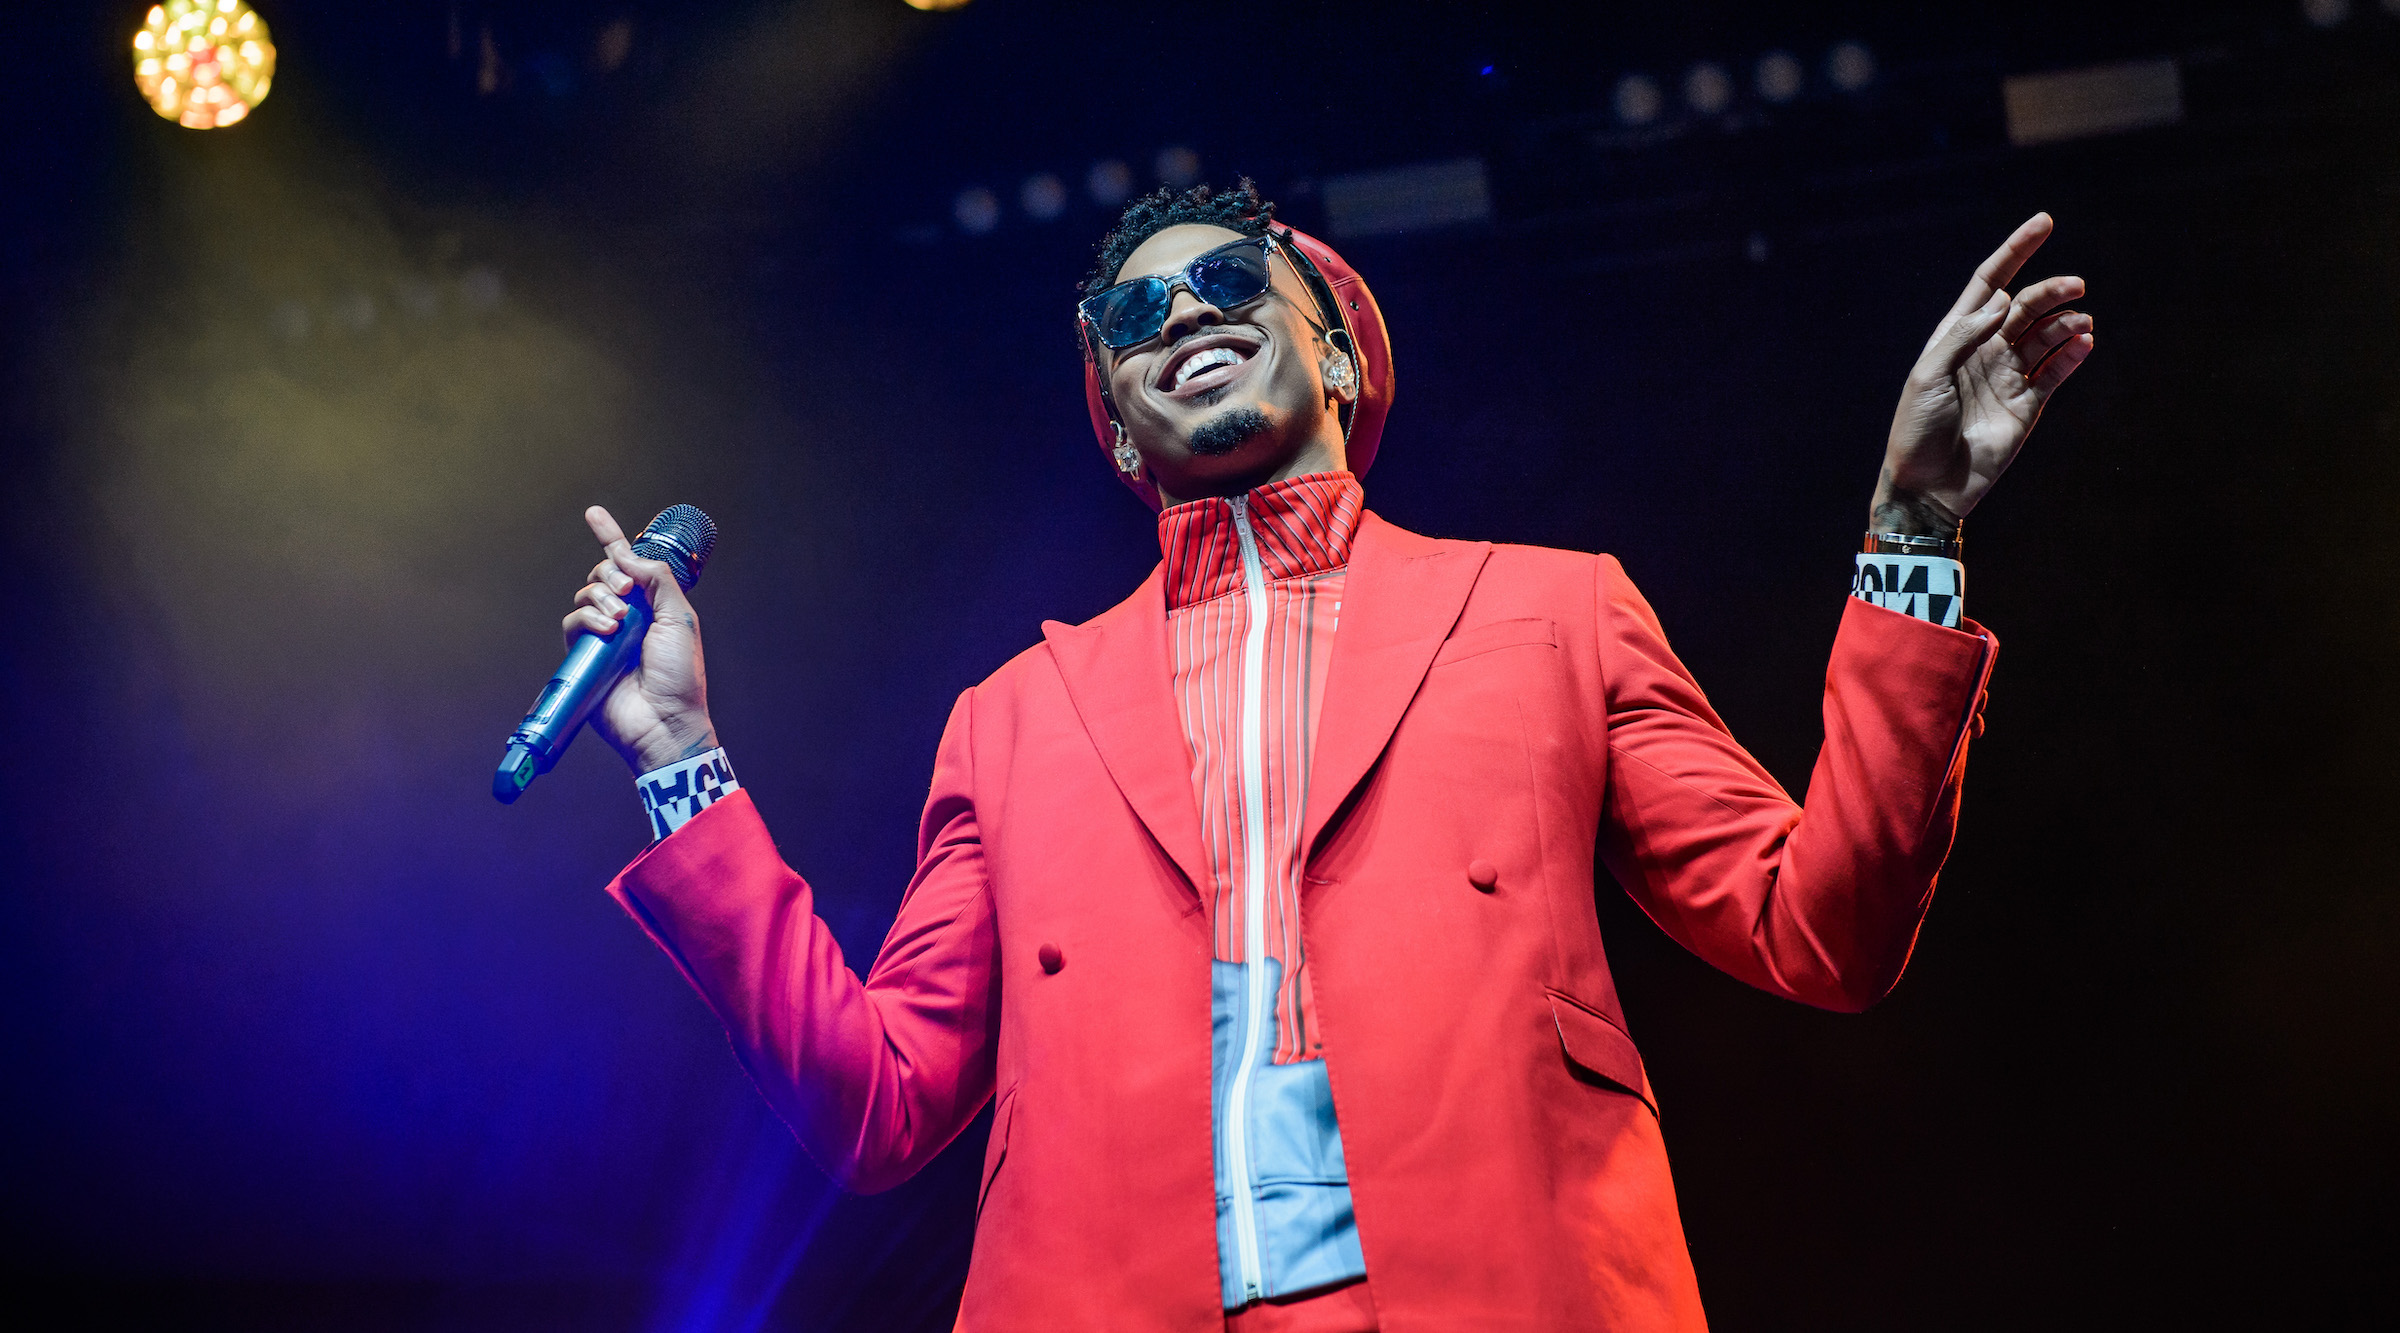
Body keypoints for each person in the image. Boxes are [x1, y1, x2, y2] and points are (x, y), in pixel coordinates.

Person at [562, 180, 2092, 1331]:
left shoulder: (1554, 609)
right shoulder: (1012, 713)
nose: (1180, 316)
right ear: (1113, 428)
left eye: (1230, 281)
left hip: (1497, 1283)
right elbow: (877, 1100)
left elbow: (1821, 926)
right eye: (1130, 317)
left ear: (1341, 358)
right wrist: (685, 754)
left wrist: (1910, 532)